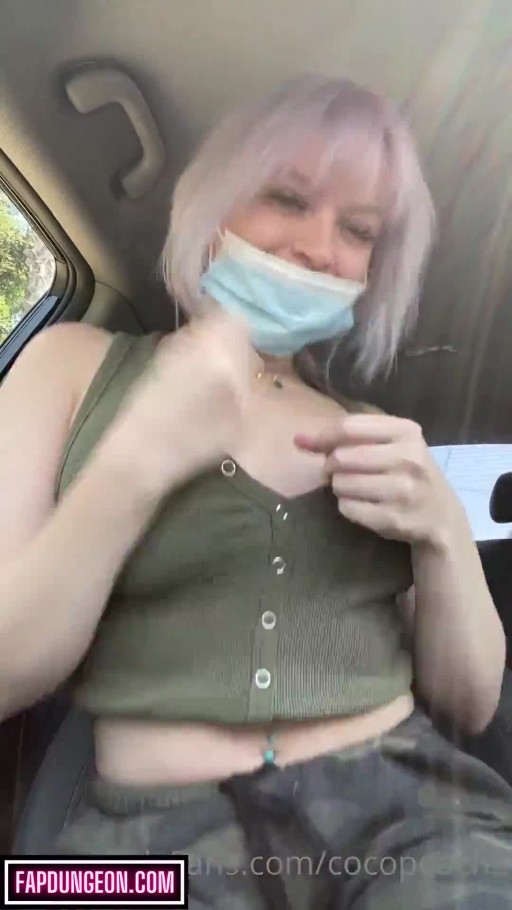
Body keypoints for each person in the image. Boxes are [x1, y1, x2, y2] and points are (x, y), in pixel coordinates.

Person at [1, 73, 511, 908]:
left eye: (358, 230)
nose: (319, 247)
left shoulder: (374, 431)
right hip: (149, 841)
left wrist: (444, 536)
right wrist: (137, 463)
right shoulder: (71, 366)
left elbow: (473, 703)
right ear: (213, 207)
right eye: (287, 197)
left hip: (409, 818)